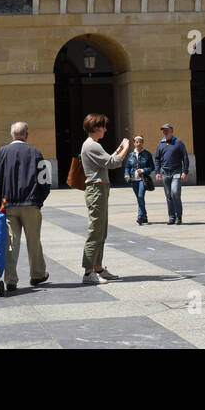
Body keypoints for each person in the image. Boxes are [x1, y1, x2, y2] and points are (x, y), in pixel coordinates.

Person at [0, 122, 51, 292]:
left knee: (10, 244)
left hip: (8, 205)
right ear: (27, 135)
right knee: (33, 240)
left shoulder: (1, 153)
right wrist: (39, 201)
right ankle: (37, 274)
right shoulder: (36, 152)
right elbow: (45, 181)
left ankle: (11, 279)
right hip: (30, 204)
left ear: (11, 135)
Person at [79, 114, 129, 283]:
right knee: (95, 231)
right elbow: (113, 163)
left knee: (101, 230)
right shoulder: (92, 146)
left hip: (99, 190)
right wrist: (126, 148)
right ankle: (88, 272)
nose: (106, 130)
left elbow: (107, 160)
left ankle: (98, 267)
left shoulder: (93, 145)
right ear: (95, 128)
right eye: (103, 126)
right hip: (96, 190)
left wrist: (119, 149)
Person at [154, 124, 189, 224]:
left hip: (176, 172)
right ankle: (172, 217)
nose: (165, 132)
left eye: (166, 130)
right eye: (163, 130)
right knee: (168, 195)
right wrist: (157, 172)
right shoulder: (160, 143)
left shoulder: (178, 142)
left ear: (172, 131)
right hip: (165, 172)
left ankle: (179, 217)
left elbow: (185, 157)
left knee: (175, 193)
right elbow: (157, 159)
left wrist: (185, 171)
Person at [123, 135, 155, 224]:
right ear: (134, 143)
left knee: (140, 196)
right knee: (139, 198)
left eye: (140, 142)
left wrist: (144, 170)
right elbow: (127, 167)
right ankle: (144, 216)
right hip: (133, 180)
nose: (138, 143)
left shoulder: (147, 154)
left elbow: (152, 167)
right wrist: (126, 174)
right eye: (136, 142)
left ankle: (140, 216)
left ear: (143, 142)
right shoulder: (131, 155)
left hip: (142, 179)